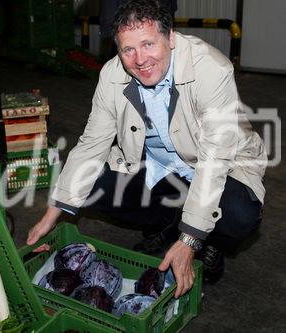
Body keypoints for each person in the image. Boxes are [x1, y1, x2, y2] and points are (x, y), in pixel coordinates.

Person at [27, 0, 266, 298]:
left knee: (240, 215)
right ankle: (167, 223)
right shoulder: (112, 75)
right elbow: (91, 144)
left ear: (171, 37)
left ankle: (210, 239)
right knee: (93, 185)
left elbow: (215, 159)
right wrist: (53, 212)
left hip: (220, 168)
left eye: (148, 44)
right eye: (128, 49)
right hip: (161, 167)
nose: (140, 59)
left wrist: (191, 239)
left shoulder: (210, 68)